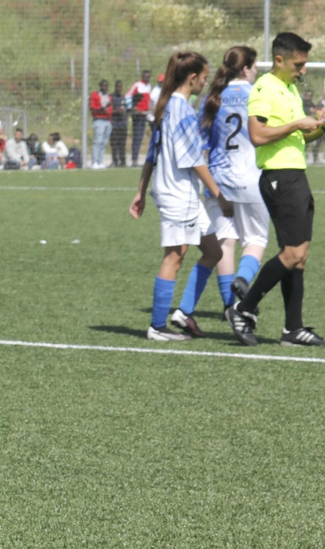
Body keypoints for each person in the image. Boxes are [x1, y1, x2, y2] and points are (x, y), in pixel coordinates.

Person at [226, 32, 325, 346]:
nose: (303, 70)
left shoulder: (289, 88)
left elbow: (298, 138)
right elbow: (258, 134)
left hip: (296, 175)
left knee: (300, 256)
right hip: (278, 177)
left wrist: (318, 127)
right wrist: (297, 124)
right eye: (299, 63)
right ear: (279, 60)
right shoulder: (263, 88)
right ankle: (243, 307)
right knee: (291, 253)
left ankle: (292, 329)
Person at [128, 51, 230, 342]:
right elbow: (194, 159)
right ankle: (157, 326)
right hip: (178, 193)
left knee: (214, 251)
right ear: (192, 78)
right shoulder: (181, 109)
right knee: (175, 256)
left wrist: (141, 191)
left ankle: (182, 313)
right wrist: (218, 194)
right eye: (204, 78)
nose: (205, 83)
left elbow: (152, 154)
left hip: (177, 192)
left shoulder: (167, 106)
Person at [173, 46, 265, 321]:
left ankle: (229, 307)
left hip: (218, 181)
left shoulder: (213, 98)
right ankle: (243, 281)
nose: (257, 71)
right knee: (256, 239)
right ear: (246, 69)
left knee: (226, 242)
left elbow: (203, 141)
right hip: (249, 179)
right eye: (255, 66)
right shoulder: (256, 94)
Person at [128, 69, 153, 164]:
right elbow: (128, 96)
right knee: (137, 137)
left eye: (148, 76)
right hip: (138, 115)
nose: (146, 78)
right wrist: (134, 108)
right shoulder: (137, 85)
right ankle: (134, 159)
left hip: (146, 115)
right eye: (144, 76)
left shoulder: (149, 86)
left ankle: (137, 158)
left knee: (141, 137)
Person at [90, 78, 113, 167]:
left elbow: (110, 108)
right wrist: (103, 108)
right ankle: (95, 161)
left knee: (104, 142)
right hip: (99, 119)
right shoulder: (95, 95)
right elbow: (93, 108)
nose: (104, 87)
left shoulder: (109, 96)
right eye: (103, 86)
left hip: (107, 120)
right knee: (98, 141)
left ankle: (100, 161)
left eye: (106, 86)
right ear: (100, 86)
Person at [110, 79, 129, 167]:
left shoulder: (123, 98)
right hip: (114, 124)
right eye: (117, 87)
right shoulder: (111, 97)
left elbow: (127, 109)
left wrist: (125, 112)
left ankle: (123, 161)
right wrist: (117, 111)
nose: (119, 89)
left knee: (122, 144)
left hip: (122, 124)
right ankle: (115, 161)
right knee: (114, 144)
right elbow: (109, 110)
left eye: (120, 87)